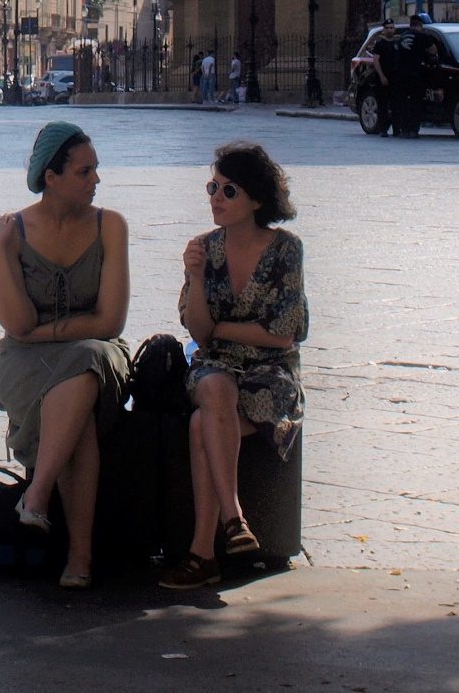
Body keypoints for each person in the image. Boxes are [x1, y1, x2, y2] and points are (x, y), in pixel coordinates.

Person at [0, 122, 130, 591]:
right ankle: (80, 557)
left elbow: (111, 322)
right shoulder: (14, 231)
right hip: (26, 362)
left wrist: (48, 331)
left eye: (96, 171)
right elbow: (16, 324)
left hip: (95, 354)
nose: (96, 181)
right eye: (85, 172)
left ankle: (39, 493)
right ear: (52, 176)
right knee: (78, 412)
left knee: (86, 359)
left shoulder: (111, 225)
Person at [160, 140, 308, 591]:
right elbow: (200, 335)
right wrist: (197, 278)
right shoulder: (203, 250)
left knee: (201, 424)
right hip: (217, 368)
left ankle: (203, 554)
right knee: (215, 387)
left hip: (271, 372)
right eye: (213, 187)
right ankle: (235, 519)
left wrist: (223, 327)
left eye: (229, 191)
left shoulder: (286, 249)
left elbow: (281, 334)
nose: (216, 199)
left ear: (258, 200)